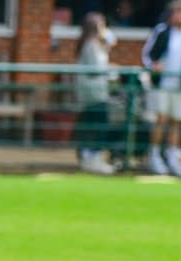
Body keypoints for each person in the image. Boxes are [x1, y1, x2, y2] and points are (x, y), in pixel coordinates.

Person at [141, 0, 181, 177]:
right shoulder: (162, 31)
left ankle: (172, 157)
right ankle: (154, 155)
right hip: (162, 85)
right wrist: (154, 66)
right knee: (161, 119)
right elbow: (147, 55)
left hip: (180, 86)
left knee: (176, 121)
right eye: (179, 12)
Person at [74, 12, 116, 175]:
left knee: (93, 124)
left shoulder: (94, 44)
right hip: (94, 93)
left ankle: (92, 157)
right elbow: (96, 69)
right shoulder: (91, 44)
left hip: (96, 92)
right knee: (97, 125)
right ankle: (92, 158)